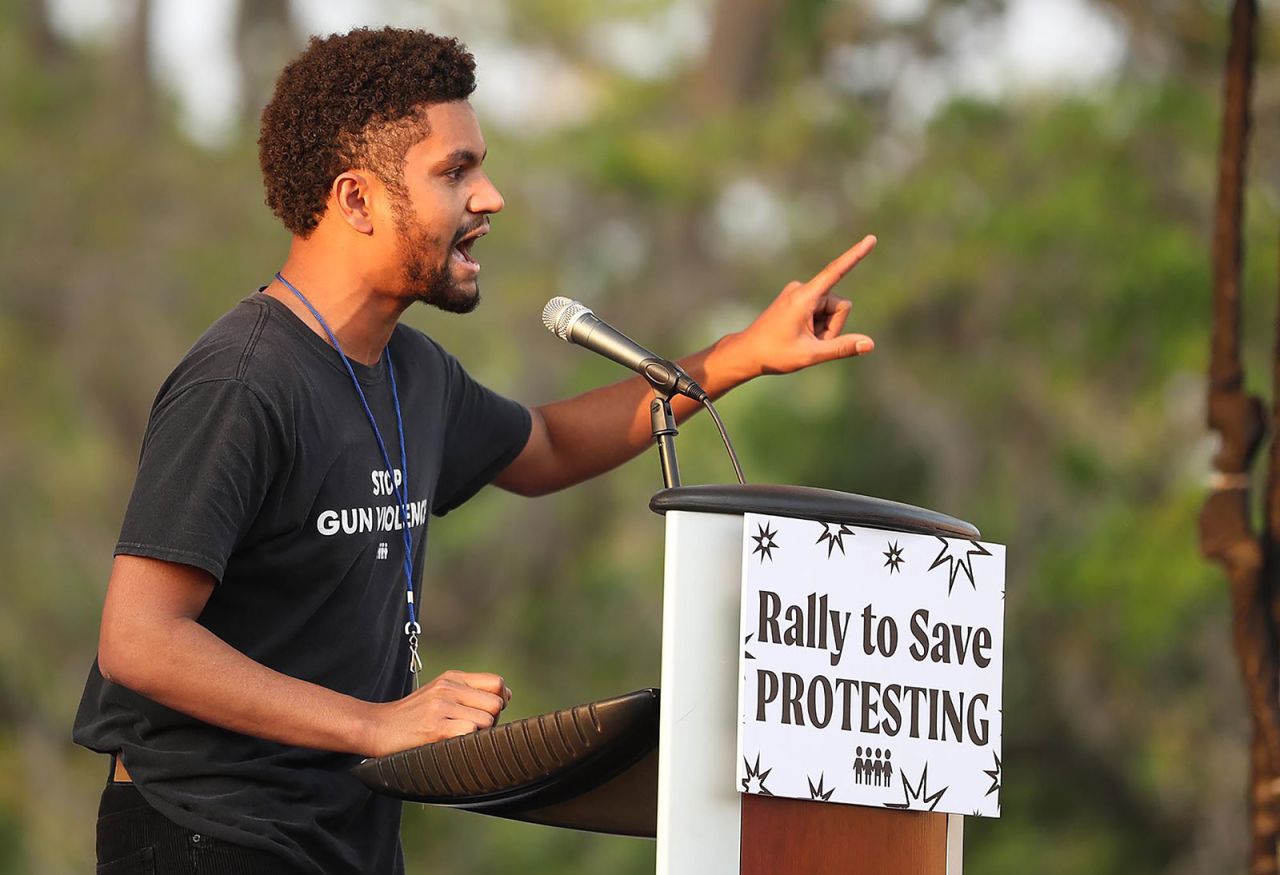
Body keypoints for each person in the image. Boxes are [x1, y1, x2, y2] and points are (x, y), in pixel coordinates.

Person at [73, 26, 878, 875]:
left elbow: (551, 444)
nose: (490, 196)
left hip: (346, 836)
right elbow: (140, 638)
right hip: (205, 836)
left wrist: (737, 356)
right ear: (356, 200)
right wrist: (377, 724)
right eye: (455, 171)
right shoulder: (243, 382)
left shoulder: (413, 370)